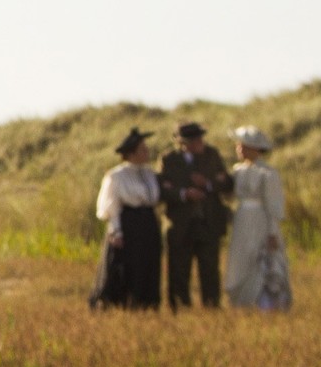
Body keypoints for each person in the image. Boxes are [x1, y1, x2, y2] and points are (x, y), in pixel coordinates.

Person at [160, 120, 233, 309]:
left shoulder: (212, 155)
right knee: (178, 270)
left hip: (208, 223)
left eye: (201, 138)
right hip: (180, 225)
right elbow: (161, 190)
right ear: (183, 143)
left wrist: (207, 184)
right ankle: (180, 307)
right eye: (195, 140)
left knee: (210, 270)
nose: (200, 142)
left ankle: (212, 307)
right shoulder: (169, 160)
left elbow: (226, 183)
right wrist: (184, 194)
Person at [92, 129, 166, 311]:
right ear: (131, 154)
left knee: (148, 263)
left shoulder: (149, 173)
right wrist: (115, 231)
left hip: (148, 222)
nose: (147, 153)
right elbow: (112, 206)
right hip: (129, 222)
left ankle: (147, 304)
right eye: (142, 149)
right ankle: (122, 302)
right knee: (128, 264)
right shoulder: (116, 176)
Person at [226, 128, 292, 311]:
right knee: (242, 260)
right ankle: (242, 302)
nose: (239, 149)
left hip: (260, 221)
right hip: (242, 221)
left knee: (261, 258)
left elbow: (273, 205)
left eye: (243, 146)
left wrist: (272, 231)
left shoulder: (267, 173)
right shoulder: (237, 171)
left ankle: (266, 304)